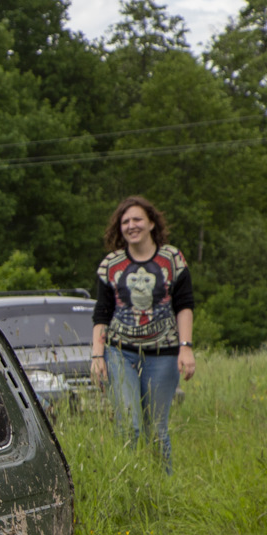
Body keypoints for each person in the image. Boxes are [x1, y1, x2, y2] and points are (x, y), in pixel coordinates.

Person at [89, 196, 195, 471]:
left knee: (156, 430)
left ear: (151, 222)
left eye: (137, 219)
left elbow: (184, 305)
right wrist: (97, 355)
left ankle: (164, 488)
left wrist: (186, 347)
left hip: (163, 354)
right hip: (119, 353)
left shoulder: (172, 259)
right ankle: (125, 482)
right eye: (125, 221)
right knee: (129, 427)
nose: (131, 226)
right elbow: (102, 313)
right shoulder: (110, 265)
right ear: (119, 228)